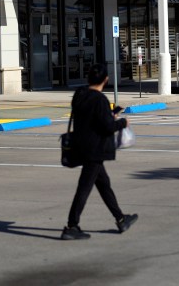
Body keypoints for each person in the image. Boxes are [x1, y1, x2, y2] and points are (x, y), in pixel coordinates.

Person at [61, 63, 138, 240]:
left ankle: (121, 218)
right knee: (84, 188)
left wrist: (109, 116)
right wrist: (122, 122)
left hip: (81, 145)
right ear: (105, 80)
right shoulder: (99, 100)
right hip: (94, 150)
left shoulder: (79, 95)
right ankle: (71, 226)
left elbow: (92, 119)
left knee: (104, 184)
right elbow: (107, 126)